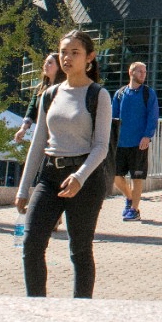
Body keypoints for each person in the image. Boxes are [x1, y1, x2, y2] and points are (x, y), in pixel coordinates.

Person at [16, 29, 112, 298]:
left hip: (85, 179)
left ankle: (81, 308)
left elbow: (101, 146)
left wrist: (80, 176)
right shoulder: (50, 94)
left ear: (89, 58)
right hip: (50, 176)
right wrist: (24, 189)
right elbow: (38, 143)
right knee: (31, 244)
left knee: (80, 250)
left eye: (75, 52)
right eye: (63, 52)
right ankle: (38, 306)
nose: (67, 58)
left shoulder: (98, 95)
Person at [111, 61, 159, 223]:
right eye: (140, 72)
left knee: (137, 177)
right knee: (115, 176)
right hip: (120, 143)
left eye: (145, 72)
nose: (143, 75)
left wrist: (147, 136)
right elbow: (113, 118)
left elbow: (153, 116)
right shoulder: (119, 94)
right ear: (131, 73)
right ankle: (130, 198)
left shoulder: (148, 93)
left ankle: (134, 209)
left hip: (139, 143)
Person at [15, 53, 64, 144]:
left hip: (60, 134)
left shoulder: (65, 88)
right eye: (45, 62)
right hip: (41, 132)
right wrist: (23, 129)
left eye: (50, 62)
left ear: (59, 66)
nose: (45, 65)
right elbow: (32, 110)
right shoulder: (40, 88)